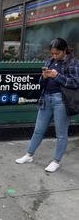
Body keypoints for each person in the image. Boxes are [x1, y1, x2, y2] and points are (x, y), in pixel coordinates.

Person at [16, 38, 79, 173]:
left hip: (61, 100)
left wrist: (57, 76)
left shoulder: (72, 62)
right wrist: (43, 77)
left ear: (64, 50)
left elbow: (75, 83)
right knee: (38, 129)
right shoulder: (49, 61)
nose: (54, 56)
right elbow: (41, 82)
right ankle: (29, 155)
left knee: (61, 134)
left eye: (57, 53)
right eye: (52, 53)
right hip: (46, 98)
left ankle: (56, 161)